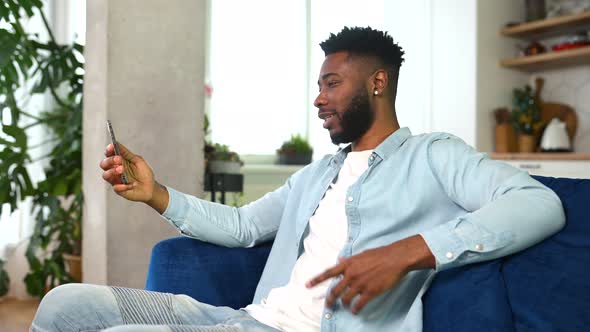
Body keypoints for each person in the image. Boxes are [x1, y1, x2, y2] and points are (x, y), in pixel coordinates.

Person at [31, 26, 565, 332]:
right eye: (318, 85)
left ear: (378, 83)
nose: (318, 97)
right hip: (242, 320)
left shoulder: (433, 156)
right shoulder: (319, 174)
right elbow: (243, 226)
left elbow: (536, 202)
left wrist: (411, 251)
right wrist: (156, 194)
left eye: (332, 83)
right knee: (64, 304)